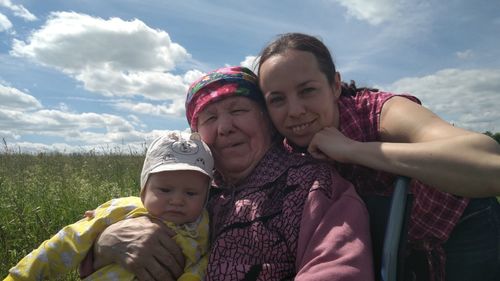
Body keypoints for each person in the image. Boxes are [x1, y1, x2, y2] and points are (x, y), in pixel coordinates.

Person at [80, 66, 375, 281]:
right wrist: (105, 243)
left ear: (267, 120)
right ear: (196, 135)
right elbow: (90, 239)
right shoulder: (189, 188)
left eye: (238, 110)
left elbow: (336, 270)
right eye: (209, 118)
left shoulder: (313, 185)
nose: (224, 127)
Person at [256, 32, 500, 281]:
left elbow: (489, 164)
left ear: (335, 85)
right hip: (390, 249)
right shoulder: (281, 149)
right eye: (277, 99)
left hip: (462, 227)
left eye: (307, 90)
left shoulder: (377, 111)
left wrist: (352, 150)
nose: (295, 111)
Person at [4, 132, 213, 281]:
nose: (177, 200)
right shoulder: (124, 210)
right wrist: (22, 276)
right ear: (143, 191)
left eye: (191, 193)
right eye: (165, 190)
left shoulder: (204, 228)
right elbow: (68, 241)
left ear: (205, 198)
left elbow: (200, 268)